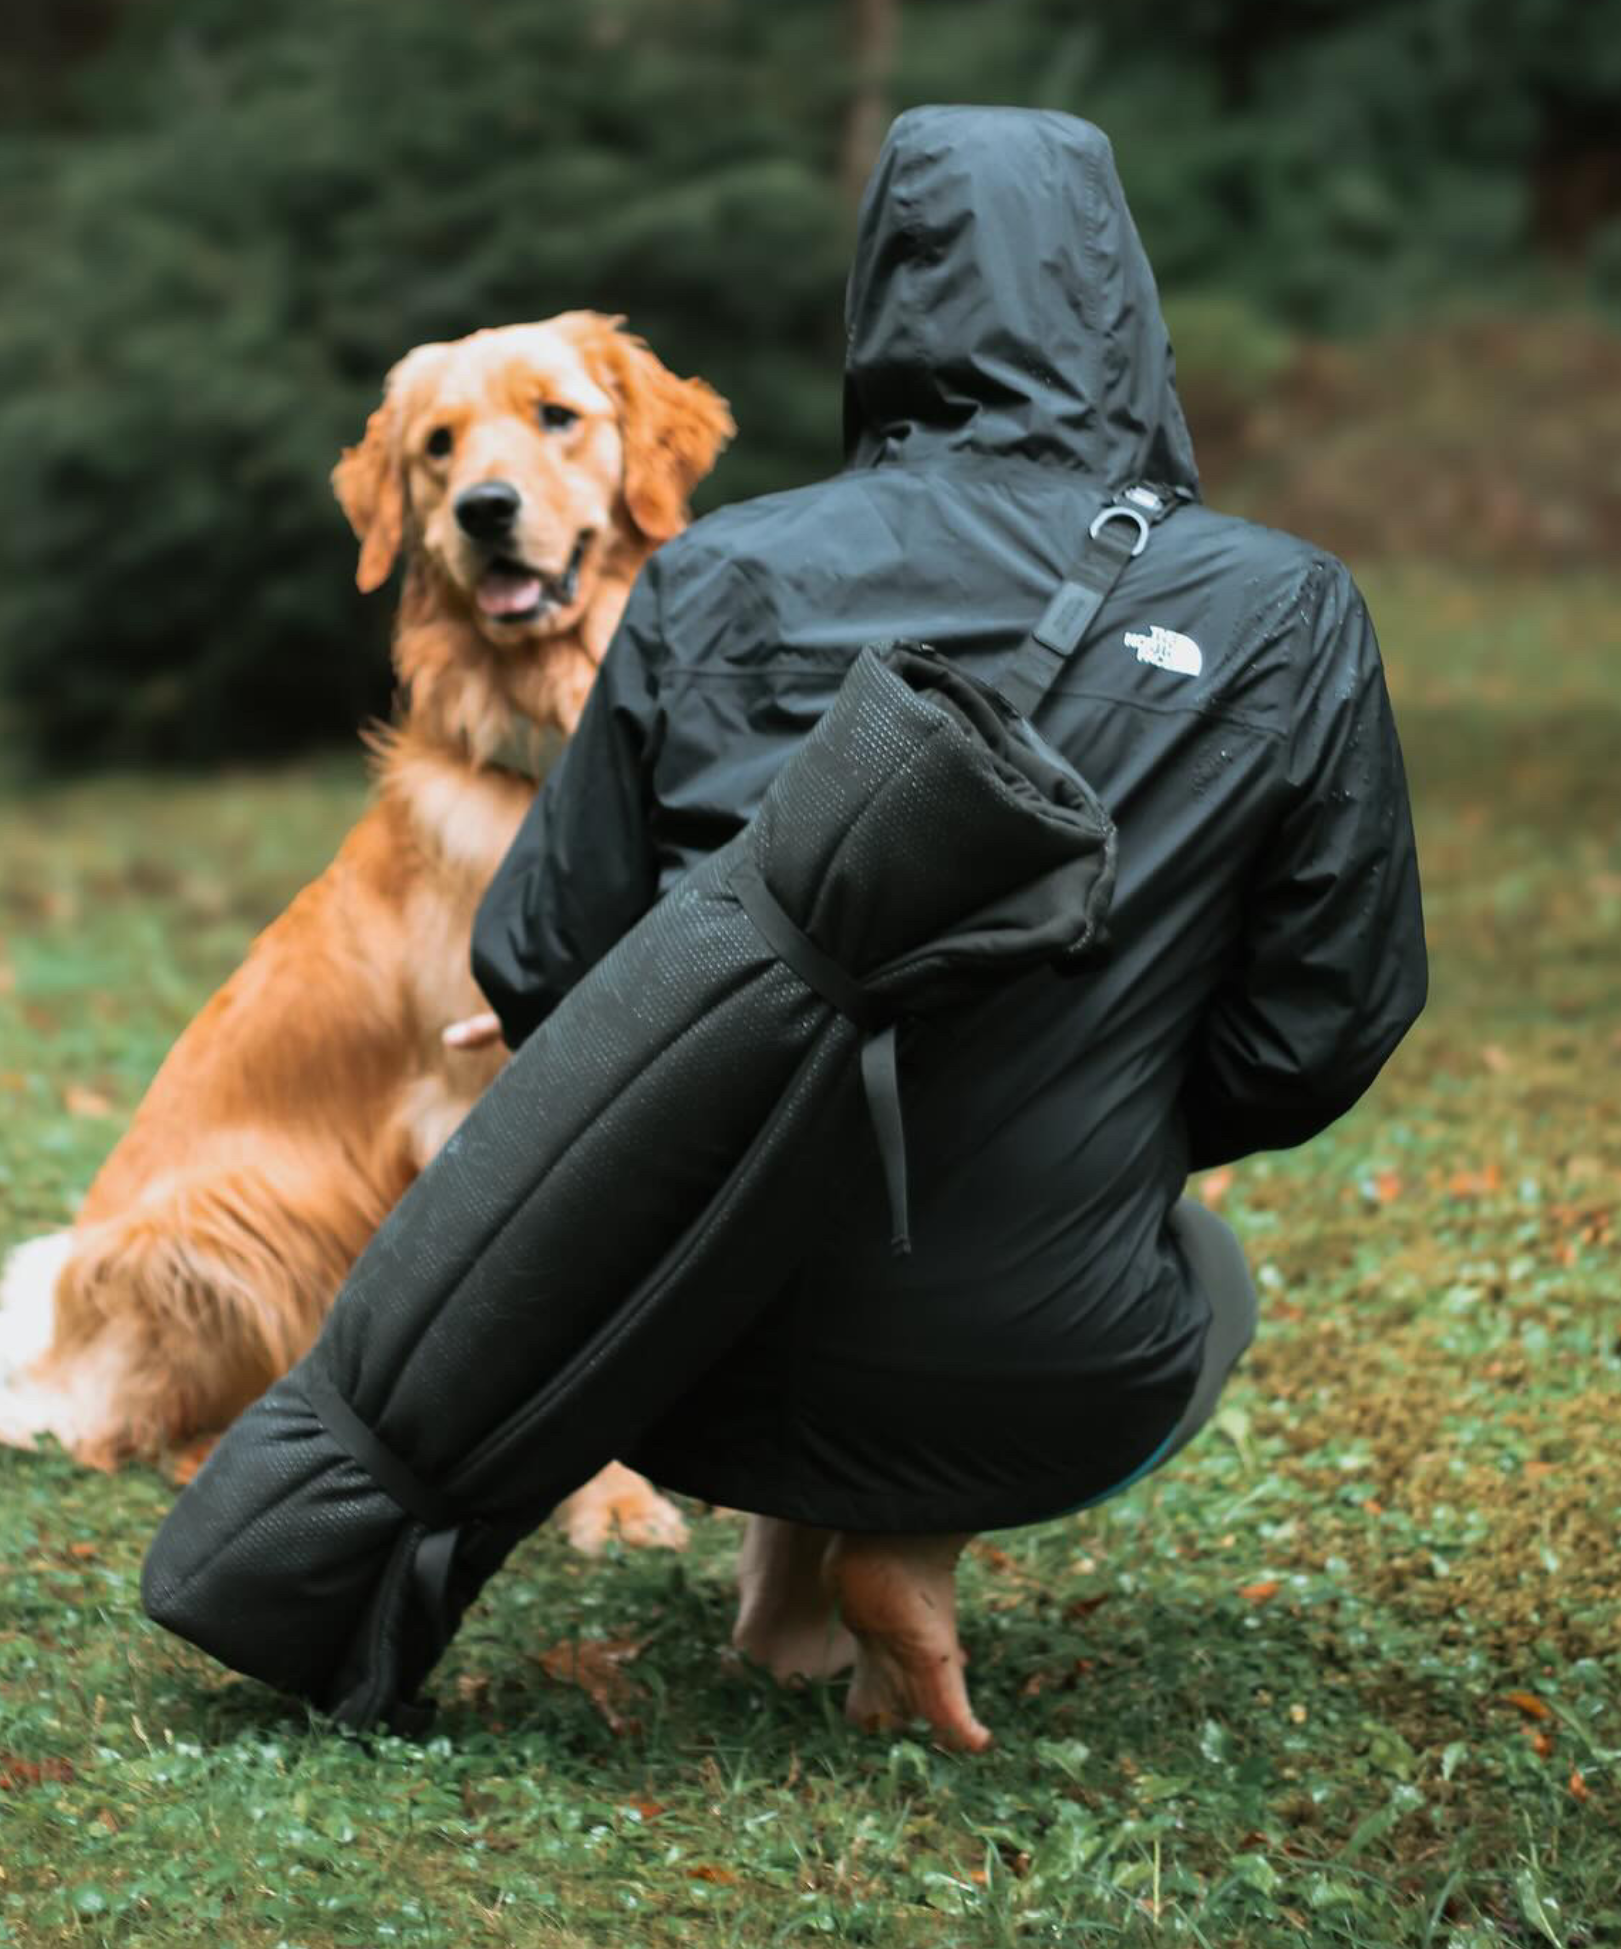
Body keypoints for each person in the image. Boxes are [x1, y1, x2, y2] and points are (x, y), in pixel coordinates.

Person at [449, 106, 1427, 1751]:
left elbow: (541, 953)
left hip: (685, 1356)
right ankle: (903, 1541)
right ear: (1123, 301)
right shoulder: (1280, 607)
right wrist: (1114, 1099)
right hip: (1056, 1360)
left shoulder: (718, 579)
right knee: (1196, 1266)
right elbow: (1333, 1009)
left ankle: (788, 1589)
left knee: (802, 1120)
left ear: (884, 297)